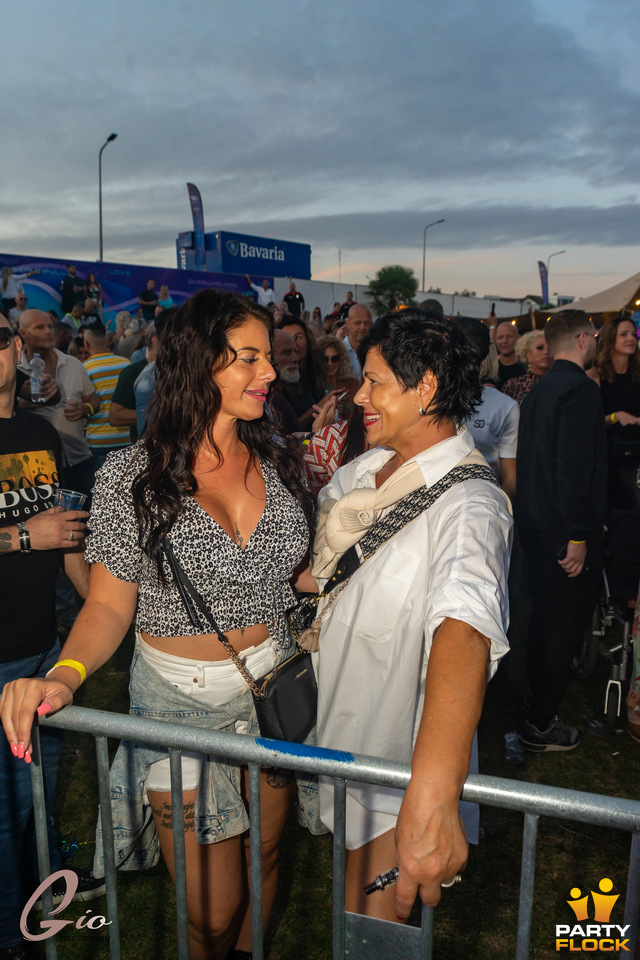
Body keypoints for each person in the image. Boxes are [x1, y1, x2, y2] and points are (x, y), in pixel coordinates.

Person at [0, 291, 314, 960]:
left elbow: (287, 574)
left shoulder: (279, 458)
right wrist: (64, 674)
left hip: (276, 694)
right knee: (210, 913)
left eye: (267, 357)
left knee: (265, 861)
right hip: (179, 710)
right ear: (200, 364)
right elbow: (111, 605)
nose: (267, 373)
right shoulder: (132, 477)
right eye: (248, 358)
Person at [312, 309, 512, 922]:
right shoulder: (363, 473)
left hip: (394, 751)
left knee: (369, 926)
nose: (359, 396)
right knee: (350, 902)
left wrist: (431, 794)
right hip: (341, 726)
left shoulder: (472, 503)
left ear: (425, 387)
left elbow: (464, 629)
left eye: (373, 382)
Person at [0, 314, 98, 960]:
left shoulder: (40, 430)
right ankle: (13, 930)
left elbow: (64, 533)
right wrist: (22, 537)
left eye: (1, 339)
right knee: (4, 805)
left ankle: (42, 886)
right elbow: (37, 532)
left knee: (40, 783)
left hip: (45, 643)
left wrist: (103, 608)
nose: (4, 348)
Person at [516, 310, 606, 751]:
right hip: (563, 537)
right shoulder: (580, 391)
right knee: (560, 628)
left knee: (544, 624)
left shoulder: (538, 393)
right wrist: (578, 536)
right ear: (584, 340)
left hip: (536, 529)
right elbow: (575, 469)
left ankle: (535, 711)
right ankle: (539, 722)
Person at [17, 310, 99, 496]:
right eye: (40, 327)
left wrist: (86, 408)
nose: (48, 331)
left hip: (80, 461)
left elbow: (94, 401)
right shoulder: (14, 370)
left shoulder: (73, 364)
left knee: (87, 521)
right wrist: (23, 404)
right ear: (23, 334)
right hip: (37, 469)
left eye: (50, 326)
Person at [595, 316, 640, 511]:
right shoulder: (596, 373)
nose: (631, 338)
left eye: (633, 334)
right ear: (611, 338)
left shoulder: (638, 371)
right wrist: (616, 416)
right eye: (624, 334)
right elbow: (591, 420)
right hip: (610, 456)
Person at [82, 321, 131, 470]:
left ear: (86, 344)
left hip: (99, 442)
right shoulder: (126, 364)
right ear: (107, 340)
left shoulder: (84, 369)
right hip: (127, 439)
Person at [502, 330, 552, 405]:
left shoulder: (563, 382)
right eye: (540, 348)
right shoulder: (513, 385)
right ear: (529, 355)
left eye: (550, 348)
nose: (546, 352)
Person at [342, 303, 373, 379]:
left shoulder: (376, 352)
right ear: (348, 324)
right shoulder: (339, 351)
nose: (362, 327)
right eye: (357, 323)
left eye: (367, 323)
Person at [494, 321, 525, 389]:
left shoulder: (527, 368)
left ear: (518, 338)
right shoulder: (492, 370)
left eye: (509, 336)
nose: (504, 341)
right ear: (495, 340)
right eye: (500, 337)